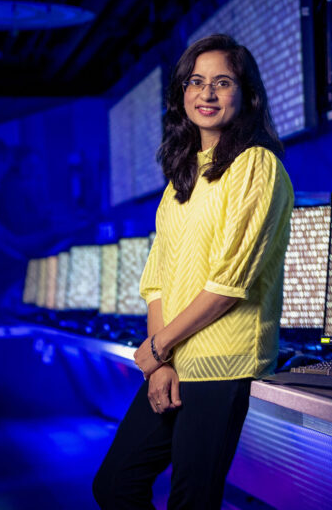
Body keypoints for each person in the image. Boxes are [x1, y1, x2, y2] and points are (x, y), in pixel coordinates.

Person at [93, 34, 293, 509]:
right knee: (115, 484)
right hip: (173, 358)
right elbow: (157, 279)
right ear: (182, 93)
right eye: (196, 82)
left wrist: (159, 348)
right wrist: (160, 361)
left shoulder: (255, 166)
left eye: (222, 83)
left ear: (247, 95)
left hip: (223, 361)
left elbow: (229, 285)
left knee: (191, 501)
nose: (206, 94)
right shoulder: (181, 178)